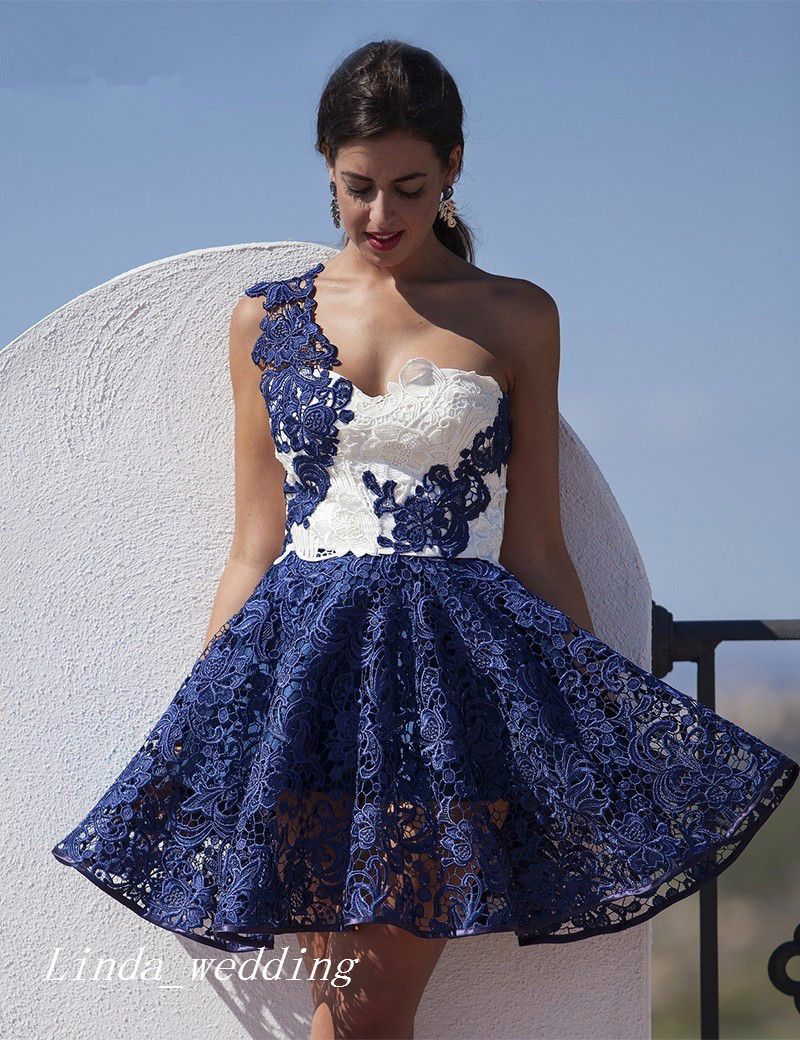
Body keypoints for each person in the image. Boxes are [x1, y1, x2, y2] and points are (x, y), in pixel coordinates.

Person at [51, 39, 799, 1040]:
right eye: (357, 187)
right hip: (302, 682)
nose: (380, 216)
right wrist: (211, 726)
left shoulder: (516, 316)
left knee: (366, 1007)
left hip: (445, 690)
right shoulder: (262, 320)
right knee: (348, 1007)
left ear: (452, 168)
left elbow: (534, 542)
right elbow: (251, 542)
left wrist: (570, 726)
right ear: (325, 171)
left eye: (407, 187)